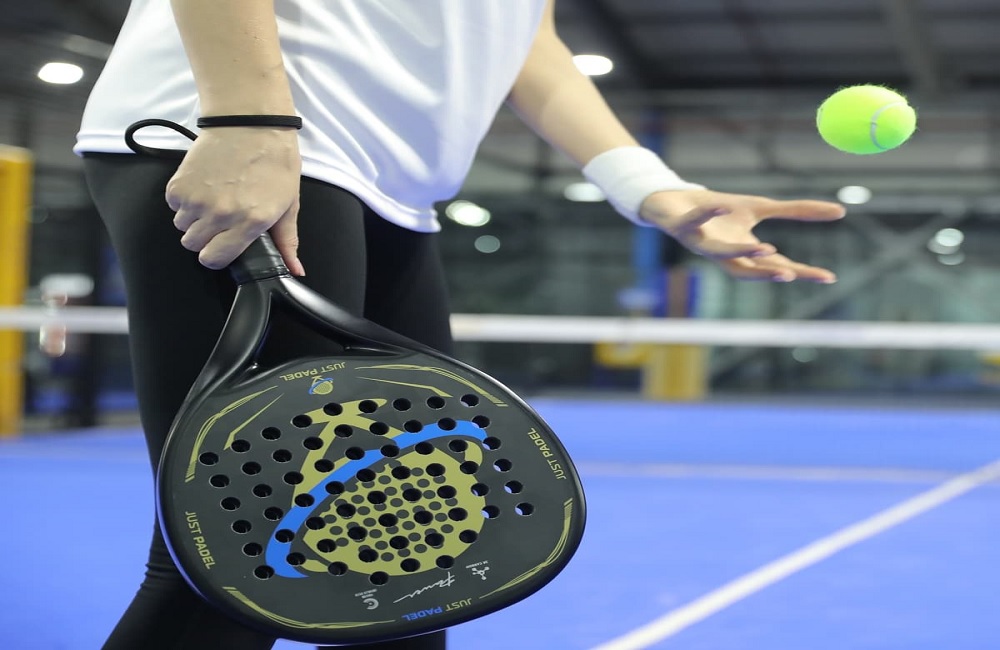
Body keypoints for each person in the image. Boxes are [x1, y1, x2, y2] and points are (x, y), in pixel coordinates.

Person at [74, 1, 846, 648]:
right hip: (250, 133)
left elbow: (524, 37)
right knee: (239, 571)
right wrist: (246, 117)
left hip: (392, 185)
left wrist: (649, 188)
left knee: (414, 577)